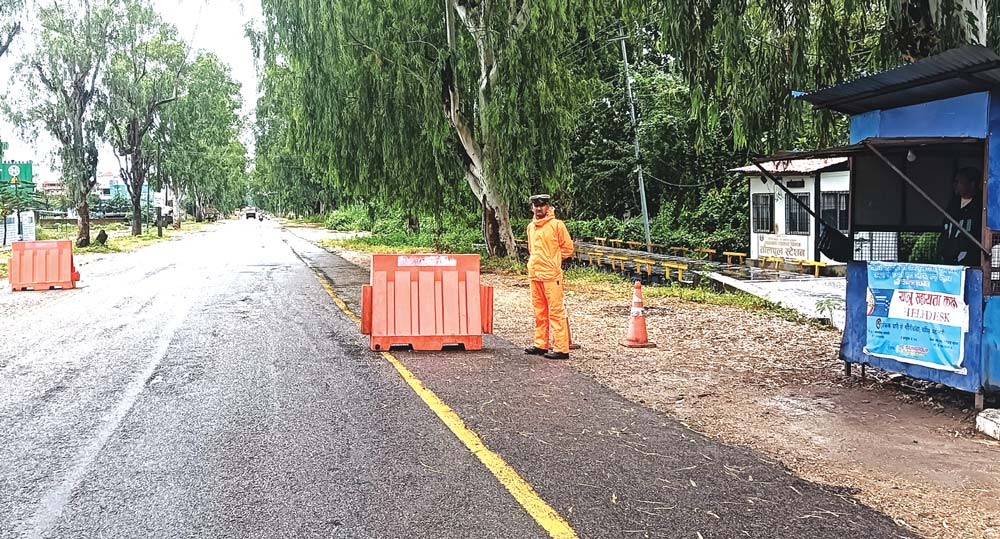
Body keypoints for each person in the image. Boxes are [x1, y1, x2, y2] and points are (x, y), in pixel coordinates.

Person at [524, 194, 574, 360]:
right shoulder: (531, 227)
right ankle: (541, 344)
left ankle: (561, 348)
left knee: (556, 311)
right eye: (536, 206)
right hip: (535, 274)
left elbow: (568, 248)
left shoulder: (557, 225)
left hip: (551, 275)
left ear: (548, 207)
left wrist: (554, 262)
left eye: (542, 205)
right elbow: (532, 249)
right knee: (539, 311)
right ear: (533, 208)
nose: (539, 208)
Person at [937, 167, 983, 266]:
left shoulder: (981, 205)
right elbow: (945, 229)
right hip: (947, 259)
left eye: (960, 182)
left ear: (972, 184)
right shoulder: (953, 203)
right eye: (955, 182)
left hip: (969, 261)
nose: (955, 186)